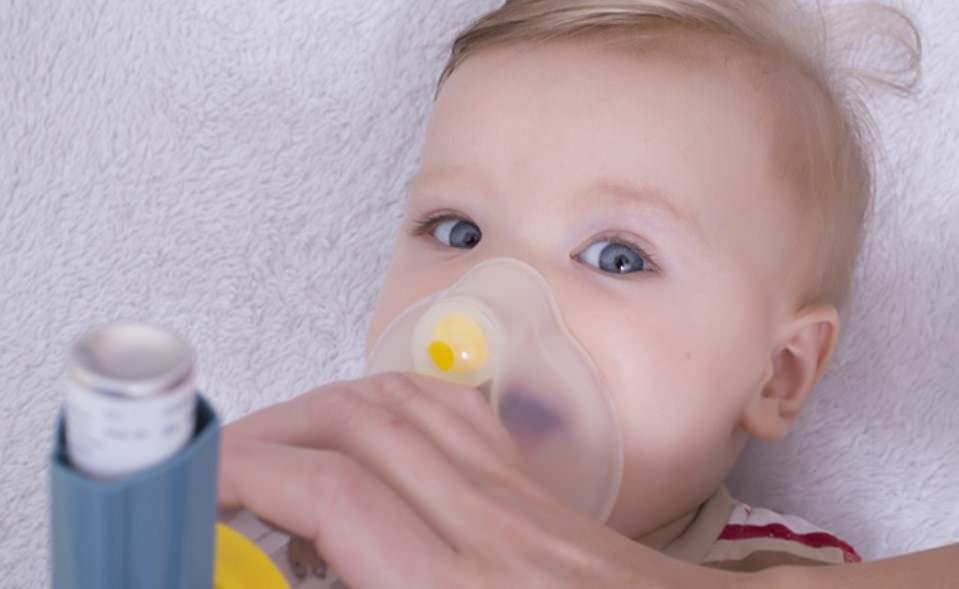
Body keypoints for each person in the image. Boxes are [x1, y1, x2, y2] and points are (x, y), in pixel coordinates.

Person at [218, 1, 955, 587]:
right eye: (458, 232)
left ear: (777, 373)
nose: (482, 304)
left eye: (616, 257)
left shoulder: (787, 569)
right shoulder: (304, 523)